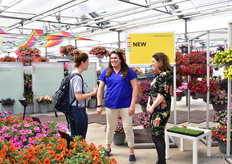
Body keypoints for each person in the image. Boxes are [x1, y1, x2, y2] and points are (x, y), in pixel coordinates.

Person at [97, 51, 138, 163]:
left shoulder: (128, 71)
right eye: (111, 58)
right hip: (111, 105)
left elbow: (135, 87)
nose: (113, 60)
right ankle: (108, 148)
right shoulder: (106, 72)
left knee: (128, 128)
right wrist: (99, 105)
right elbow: (100, 89)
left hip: (126, 105)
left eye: (115, 58)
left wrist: (132, 104)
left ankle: (131, 152)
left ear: (120, 59)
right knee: (110, 127)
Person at [146, 52, 173, 164]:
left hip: (161, 111)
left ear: (160, 62)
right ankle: (161, 160)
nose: (152, 63)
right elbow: (154, 92)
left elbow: (162, 95)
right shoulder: (160, 75)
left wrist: (152, 107)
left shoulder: (165, 75)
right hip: (157, 109)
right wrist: (148, 103)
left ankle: (161, 161)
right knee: (158, 135)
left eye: (153, 61)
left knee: (156, 136)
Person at [65, 49, 98, 139]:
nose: (88, 64)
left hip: (72, 109)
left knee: (74, 138)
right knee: (80, 139)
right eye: (87, 62)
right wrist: (93, 93)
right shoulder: (77, 78)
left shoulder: (72, 74)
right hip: (78, 110)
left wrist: (86, 94)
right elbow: (78, 97)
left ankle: (73, 153)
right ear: (82, 63)